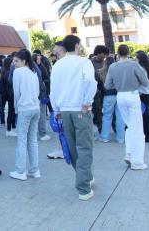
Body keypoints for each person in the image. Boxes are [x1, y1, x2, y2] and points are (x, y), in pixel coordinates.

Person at [50, 35, 98, 201]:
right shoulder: (84, 62)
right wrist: (87, 101)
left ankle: (86, 177)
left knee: (72, 147)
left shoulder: (57, 64)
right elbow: (90, 82)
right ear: (77, 45)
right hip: (80, 109)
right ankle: (83, 188)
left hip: (64, 110)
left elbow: (53, 89)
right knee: (84, 147)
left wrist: (56, 109)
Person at [105, 45, 149, 170]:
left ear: (118, 53)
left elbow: (107, 85)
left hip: (120, 96)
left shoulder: (113, 66)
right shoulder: (134, 65)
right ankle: (137, 162)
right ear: (128, 52)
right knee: (138, 130)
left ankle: (129, 154)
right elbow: (145, 82)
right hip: (133, 95)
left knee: (130, 126)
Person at [9, 50, 41, 181]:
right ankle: (34, 170)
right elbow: (37, 91)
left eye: (16, 61)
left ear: (24, 61)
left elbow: (16, 93)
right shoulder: (33, 72)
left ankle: (20, 171)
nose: (14, 63)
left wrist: (16, 108)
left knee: (21, 140)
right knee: (32, 140)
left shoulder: (18, 72)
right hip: (35, 108)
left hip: (24, 109)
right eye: (13, 61)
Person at [47, 41, 67, 160]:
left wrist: (55, 106)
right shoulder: (65, 63)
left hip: (60, 102)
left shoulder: (59, 65)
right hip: (66, 102)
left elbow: (55, 86)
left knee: (60, 127)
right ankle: (64, 149)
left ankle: (61, 150)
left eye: (55, 47)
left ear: (61, 48)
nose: (54, 49)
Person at [98, 56, 125, 143]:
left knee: (107, 116)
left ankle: (104, 137)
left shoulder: (100, 71)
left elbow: (100, 85)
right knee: (120, 116)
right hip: (119, 95)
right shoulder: (120, 71)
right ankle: (121, 138)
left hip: (108, 95)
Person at [135, 51, 149, 144]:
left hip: (143, 95)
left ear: (139, 59)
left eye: (136, 58)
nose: (135, 60)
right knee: (145, 116)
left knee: (145, 117)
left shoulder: (140, 69)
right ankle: (147, 136)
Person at [90, 45, 109, 134]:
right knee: (97, 109)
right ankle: (101, 128)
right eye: (103, 54)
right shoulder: (90, 63)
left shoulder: (106, 63)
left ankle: (113, 127)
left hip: (107, 88)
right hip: (96, 90)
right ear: (97, 53)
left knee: (108, 109)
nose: (104, 56)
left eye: (105, 54)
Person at [0, 56, 17, 137]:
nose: (14, 63)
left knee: (12, 111)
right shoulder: (8, 73)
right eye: (13, 62)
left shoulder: (4, 71)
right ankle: (9, 129)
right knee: (11, 112)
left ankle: (12, 128)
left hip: (8, 95)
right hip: (10, 95)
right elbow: (10, 84)